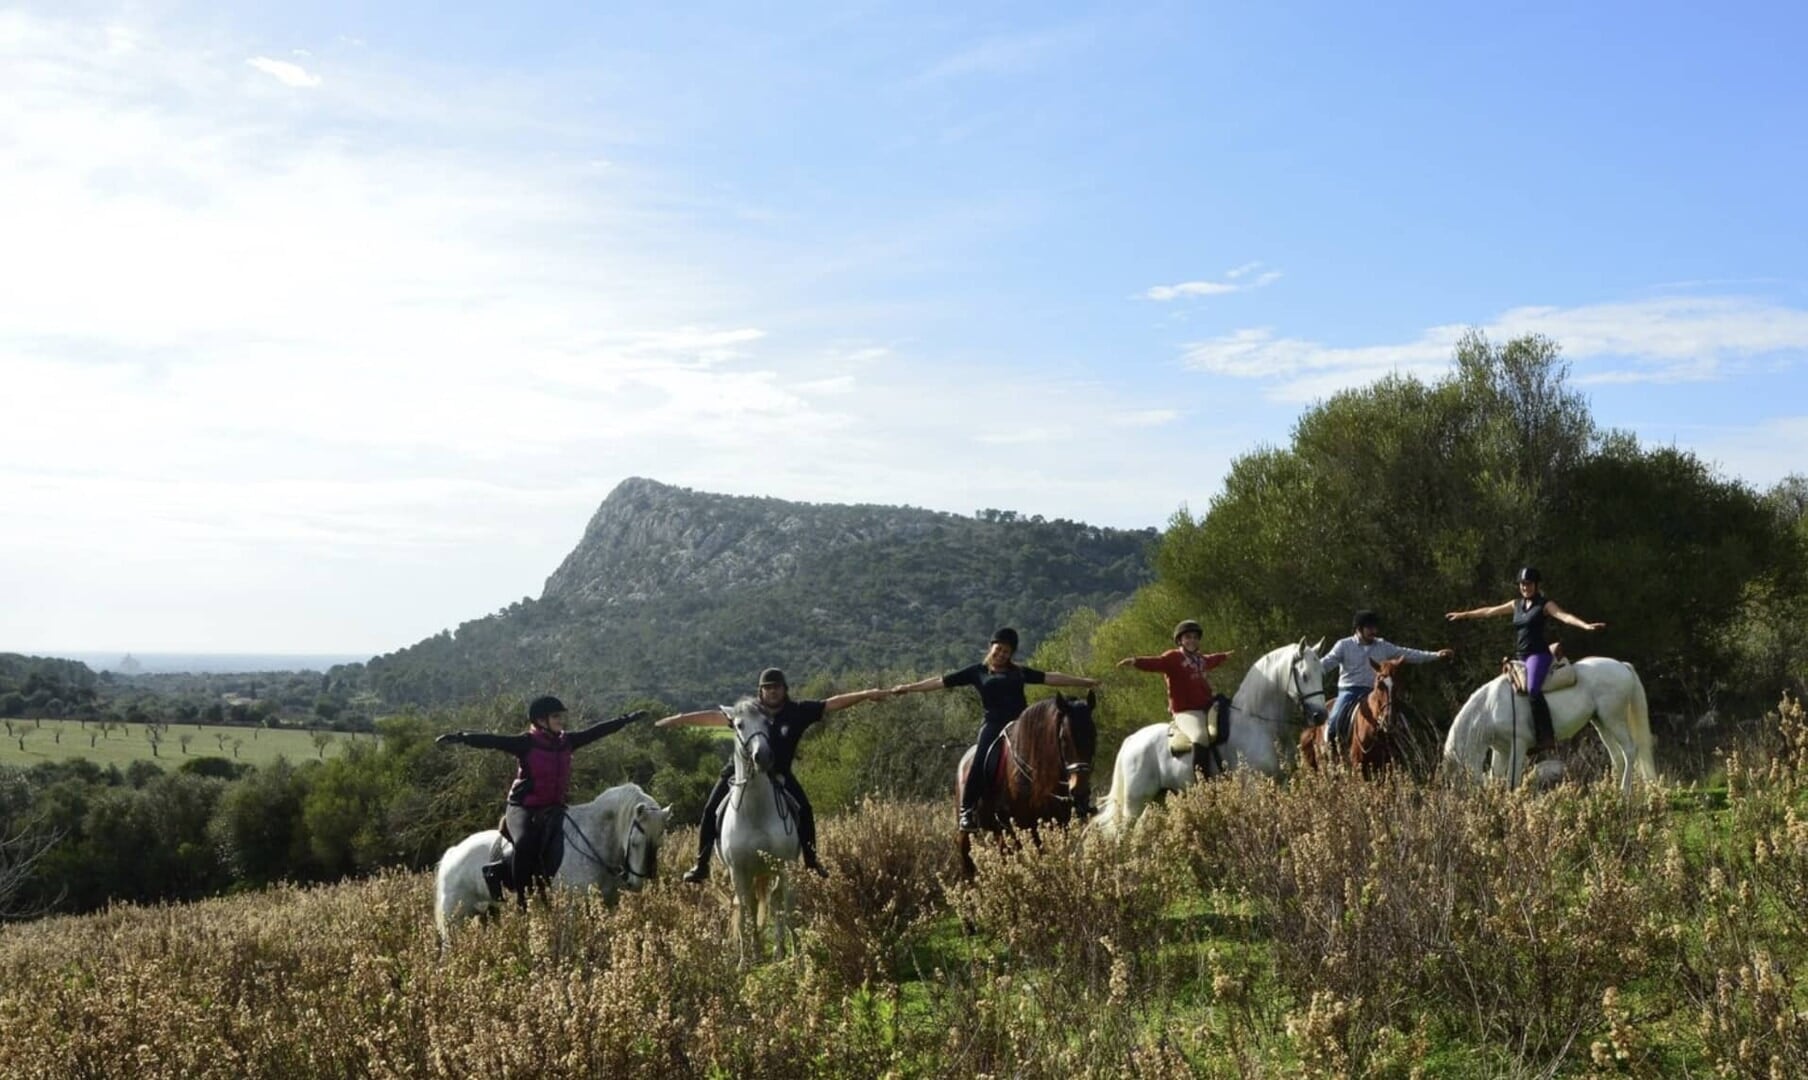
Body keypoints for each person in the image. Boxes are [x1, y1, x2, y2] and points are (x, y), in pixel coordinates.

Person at [658, 668, 891, 883]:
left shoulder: (798, 712)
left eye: (776, 687)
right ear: (760, 691)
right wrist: (679, 720)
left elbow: (832, 704)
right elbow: (713, 717)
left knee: (805, 809)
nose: (772, 691)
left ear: (784, 689)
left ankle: (811, 861)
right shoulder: (749, 712)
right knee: (710, 810)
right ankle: (701, 865)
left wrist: (867, 693)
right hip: (738, 774)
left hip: (778, 774)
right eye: (767, 688)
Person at [436, 695, 649, 904]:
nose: (561, 720)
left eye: (560, 716)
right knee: (525, 842)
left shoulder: (567, 742)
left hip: (554, 807)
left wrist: (627, 719)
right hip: (523, 807)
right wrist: (462, 737)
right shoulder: (526, 743)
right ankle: (521, 900)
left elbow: (597, 732)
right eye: (555, 716)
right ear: (540, 720)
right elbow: (493, 741)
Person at [891, 627, 1101, 833]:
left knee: (1057, 754)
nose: (1001, 654)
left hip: (1022, 725)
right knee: (981, 760)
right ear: (990, 647)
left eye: (1006, 652)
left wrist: (1085, 682)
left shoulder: (1018, 672)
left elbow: (1050, 677)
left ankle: (1080, 803)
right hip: (993, 725)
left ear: (1011, 655)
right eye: (998, 649)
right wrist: (909, 688)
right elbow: (940, 681)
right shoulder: (977, 672)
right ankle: (968, 810)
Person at [1446, 567, 1606, 752]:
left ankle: (1545, 736)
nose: (1525, 587)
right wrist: (1464, 615)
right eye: (1522, 584)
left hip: (1539, 655)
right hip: (1520, 657)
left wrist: (1585, 625)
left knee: (1532, 689)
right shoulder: (1516, 604)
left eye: (1528, 584)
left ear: (1536, 585)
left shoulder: (1544, 605)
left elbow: (1564, 616)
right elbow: (1490, 611)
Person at [1319, 611, 1454, 755]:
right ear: (1359, 628)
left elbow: (1407, 653)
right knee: (1334, 721)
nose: (1374, 631)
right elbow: (1326, 663)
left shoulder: (1382, 645)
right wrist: (1308, 669)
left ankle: (1411, 755)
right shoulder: (1343, 645)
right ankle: (1331, 753)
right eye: (1369, 628)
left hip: (1378, 691)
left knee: (1403, 720)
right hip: (1350, 691)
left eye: (1375, 627)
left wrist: (1435, 655)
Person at [1116, 619, 1234, 766]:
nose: (1192, 640)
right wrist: (1135, 661)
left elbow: (1212, 659)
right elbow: (1156, 662)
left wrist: (1224, 656)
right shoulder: (1173, 657)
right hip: (1186, 711)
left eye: (1195, 637)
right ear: (1180, 640)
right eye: (1188, 637)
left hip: (1206, 707)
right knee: (1200, 737)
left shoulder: (1199, 659)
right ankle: (1202, 782)